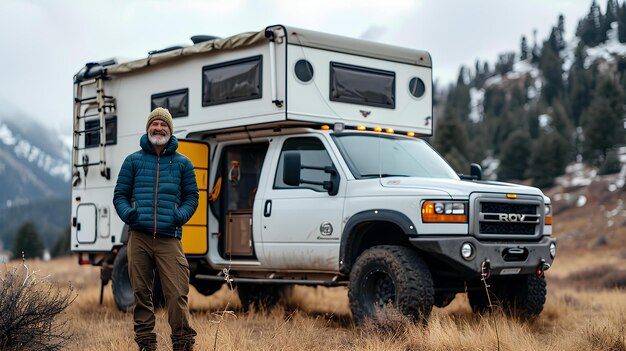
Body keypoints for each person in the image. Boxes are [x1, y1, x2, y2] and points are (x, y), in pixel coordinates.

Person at [113, 107, 199, 351]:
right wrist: (130, 214)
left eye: (164, 124)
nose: (158, 128)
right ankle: (146, 345)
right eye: (155, 124)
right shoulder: (133, 161)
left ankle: (183, 344)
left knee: (177, 295)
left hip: (169, 238)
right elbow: (120, 195)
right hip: (138, 237)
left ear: (170, 131)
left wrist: (179, 216)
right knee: (141, 295)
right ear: (148, 128)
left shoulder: (183, 164)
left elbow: (192, 197)